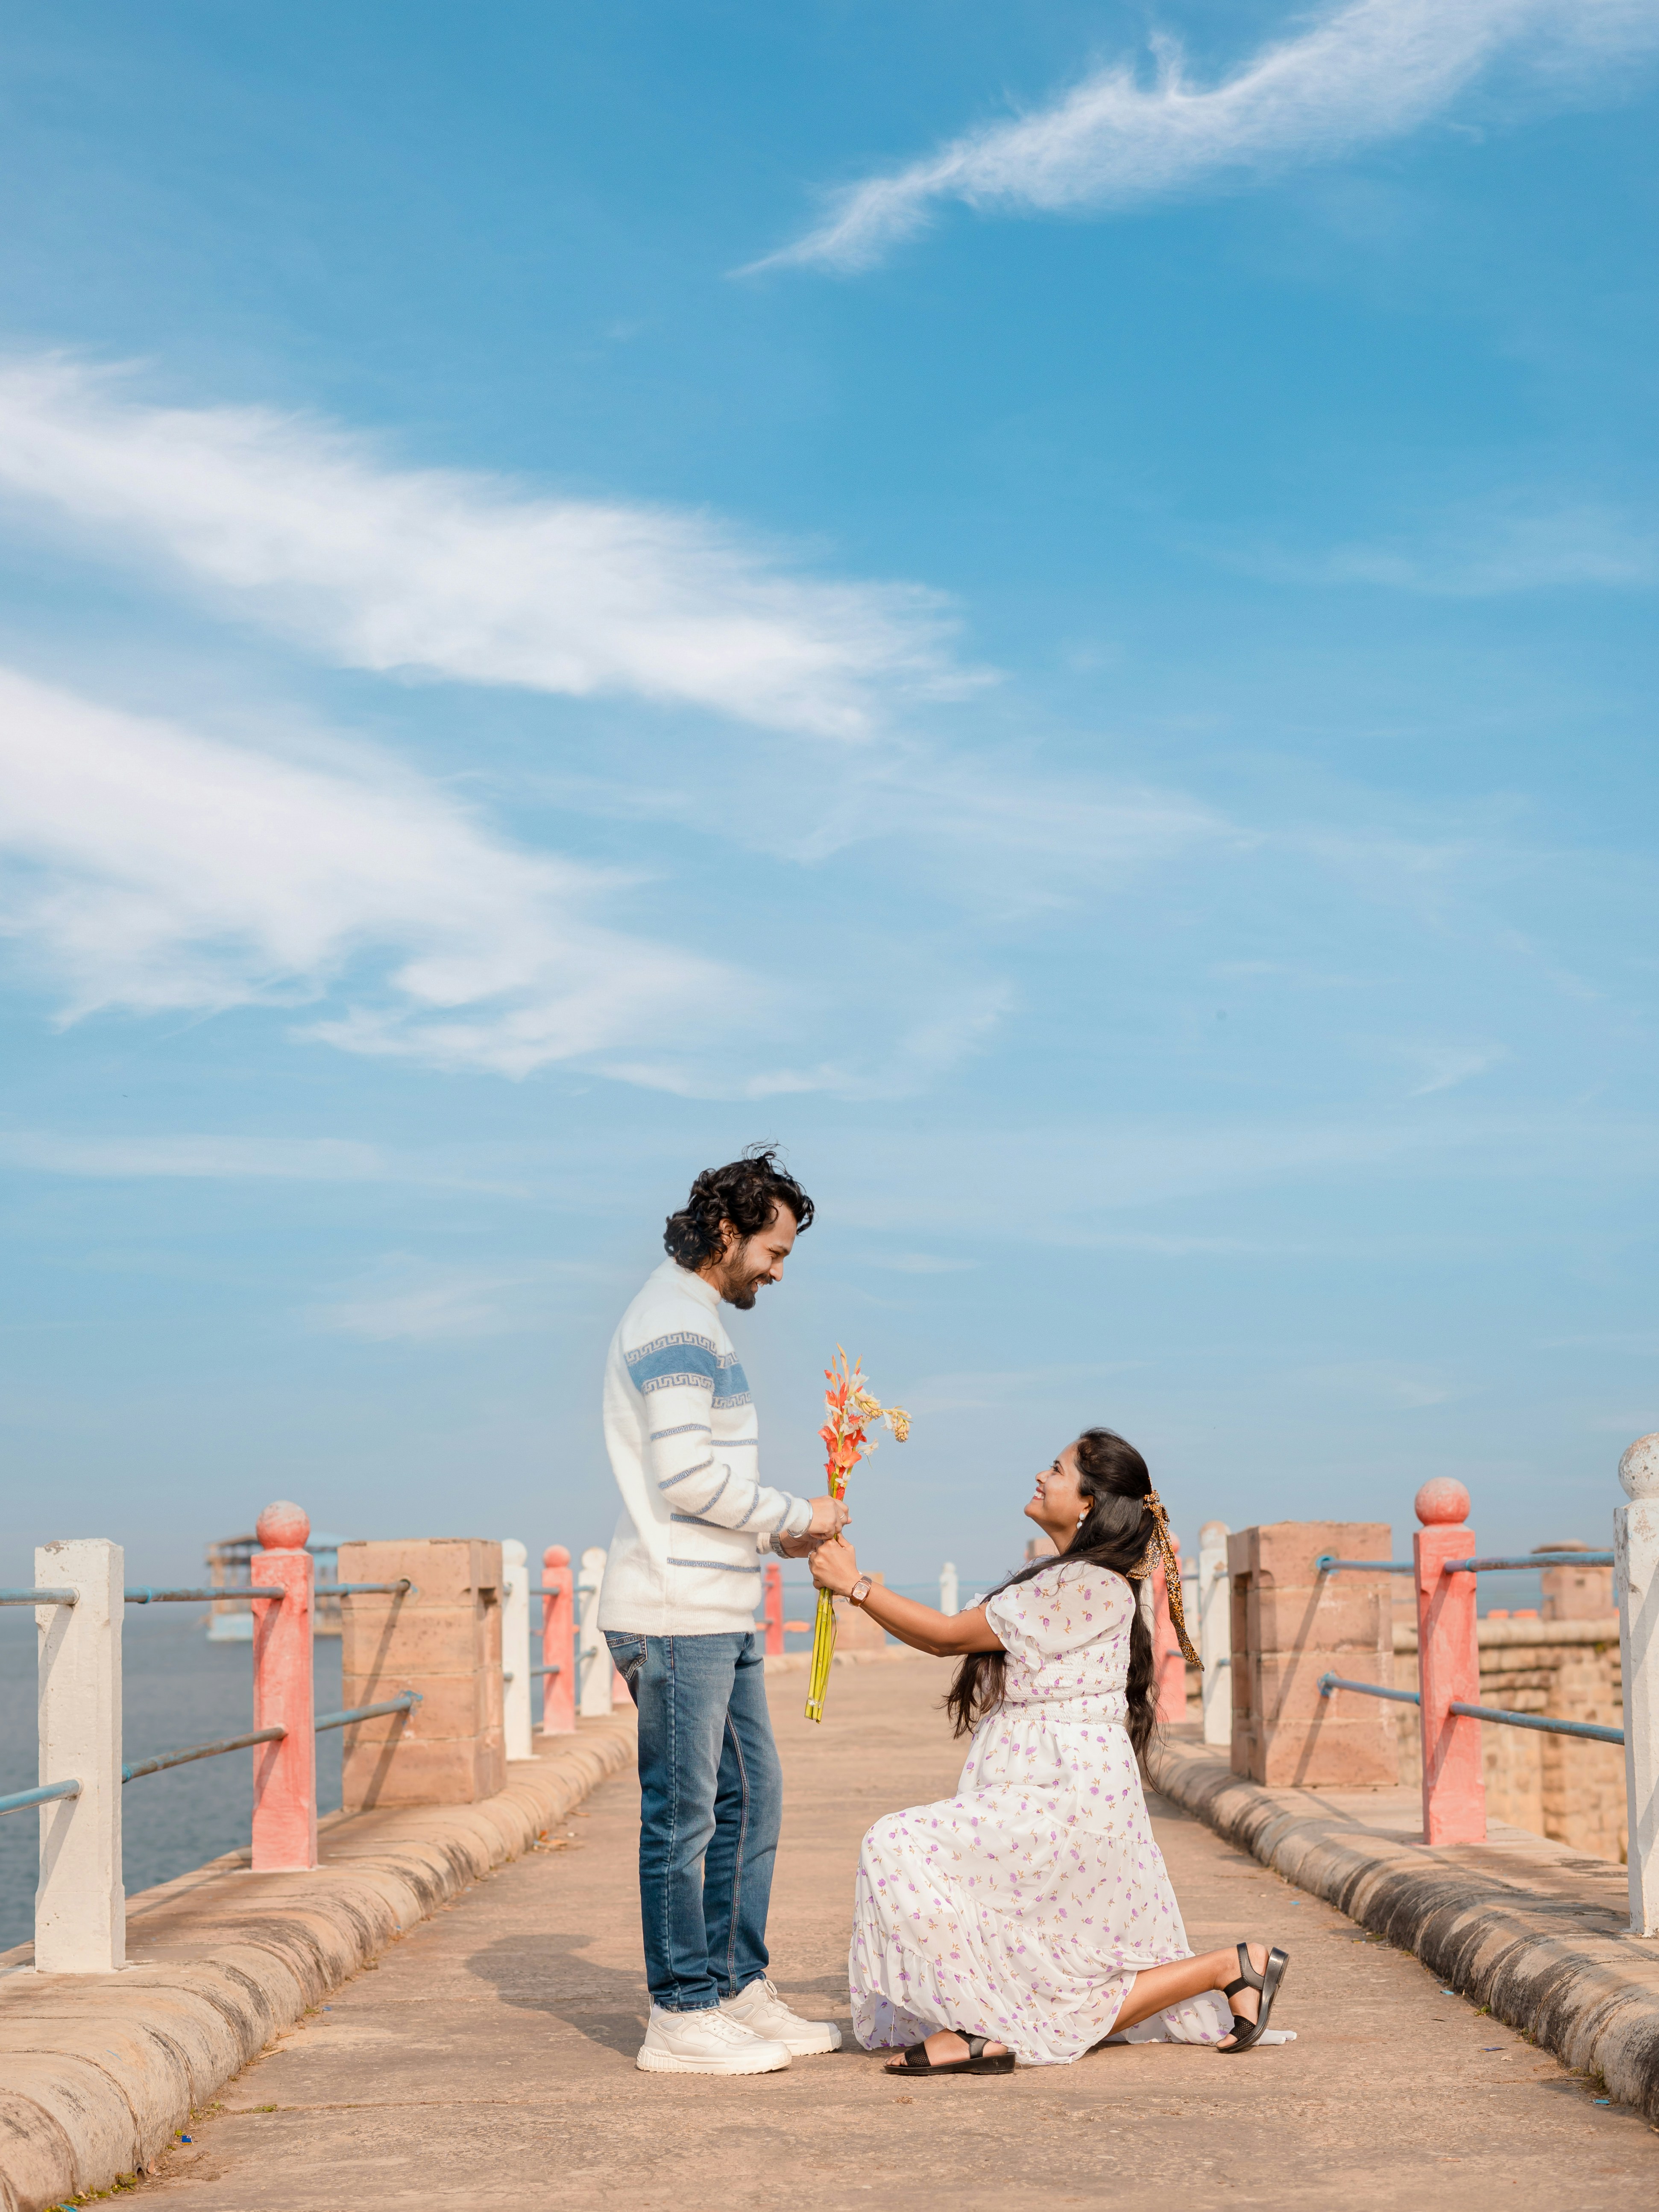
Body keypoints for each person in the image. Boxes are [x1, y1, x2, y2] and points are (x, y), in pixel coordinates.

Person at [806, 1428, 1292, 2074]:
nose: (1042, 1476)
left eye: (1057, 1470)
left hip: (1064, 1799)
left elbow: (950, 1637)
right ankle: (1226, 1969)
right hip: (1056, 1786)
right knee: (1056, 1980)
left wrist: (856, 1587)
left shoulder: (1088, 1586)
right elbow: (946, 1639)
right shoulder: (1065, 1580)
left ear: (1090, 1502)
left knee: (899, 1845)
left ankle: (983, 2029)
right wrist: (849, 1584)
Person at [600, 1146, 851, 2076]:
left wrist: (775, 1537)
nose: (779, 1272)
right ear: (725, 1230)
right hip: (672, 1607)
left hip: (714, 1604)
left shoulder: (693, 1315)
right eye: (774, 1251)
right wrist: (799, 1519)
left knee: (751, 1797)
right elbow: (687, 1476)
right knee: (685, 1815)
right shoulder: (674, 1320)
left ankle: (736, 1984)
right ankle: (679, 2011)